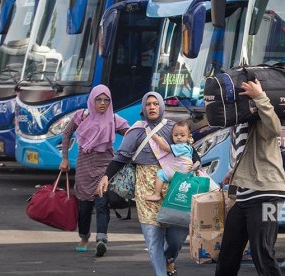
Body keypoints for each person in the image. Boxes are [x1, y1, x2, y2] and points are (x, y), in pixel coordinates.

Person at [97, 92, 196, 276]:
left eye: (155, 103)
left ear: (161, 106)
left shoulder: (173, 128)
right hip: (146, 188)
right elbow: (121, 157)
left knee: (178, 234)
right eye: (148, 104)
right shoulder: (135, 131)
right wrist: (106, 176)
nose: (151, 107)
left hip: (174, 185)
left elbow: (189, 151)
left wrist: (195, 167)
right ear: (143, 108)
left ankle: (169, 258)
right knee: (153, 238)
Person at [215, 79, 285, 276]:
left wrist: (260, 97)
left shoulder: (258, 119)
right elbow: (244, 155)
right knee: (228, 254)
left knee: (263, 252)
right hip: (245, 197)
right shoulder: (236, 125)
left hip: (268, 194)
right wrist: (233, 173)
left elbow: (275, 128)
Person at [59, 84, 129, 257]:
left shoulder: (113, 119)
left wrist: (125, 156)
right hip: (84, 167)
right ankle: (84, 237)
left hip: (105, 169)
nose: (103, 103)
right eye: (99, 99)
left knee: (101, 204)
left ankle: (101, 240)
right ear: (92, 100)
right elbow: (66, 134)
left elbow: (131, 134)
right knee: (84, 207)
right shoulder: (81, 116)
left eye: (107, 100)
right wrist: (65, 158)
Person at [145, 120, 201, 202]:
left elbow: (166, 148)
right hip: (187, 171)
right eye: (176, 135)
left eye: (182, 135)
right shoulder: (188, 147)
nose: (179, 137)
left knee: (160, 174)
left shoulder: (181, 147)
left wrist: (156, 138)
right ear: (172, 136)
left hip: (180, 170)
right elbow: (195, 160)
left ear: (188, 137)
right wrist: (196, 164)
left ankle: (156, 194)